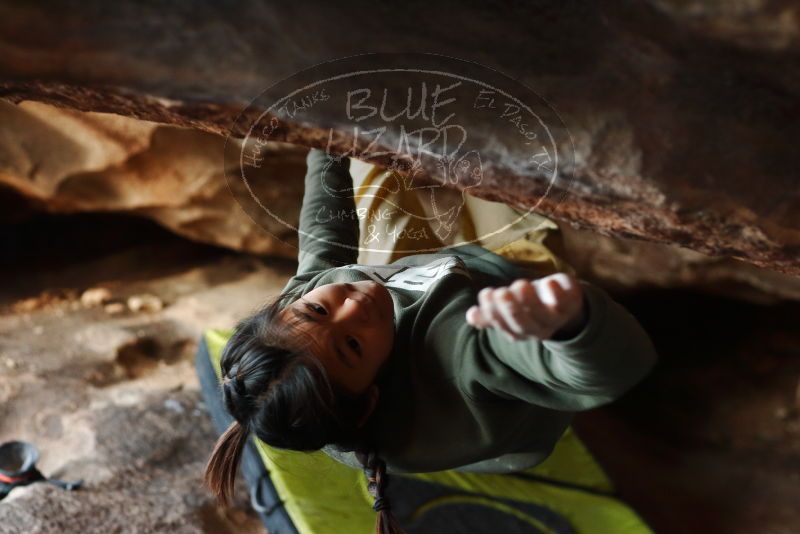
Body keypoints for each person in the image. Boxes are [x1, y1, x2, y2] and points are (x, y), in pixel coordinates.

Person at [204, 148, 659, 534]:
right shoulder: (460, 357)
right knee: (515, 172)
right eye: (352, 346)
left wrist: (324, 144)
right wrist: (565, 326)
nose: (352, 308)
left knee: (362, 157)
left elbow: (324, 246)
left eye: (316, 308)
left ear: (283, 308)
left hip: (419, 281)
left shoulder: (301, 346)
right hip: (503, 285)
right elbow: (608, 372)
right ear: (371, 395)